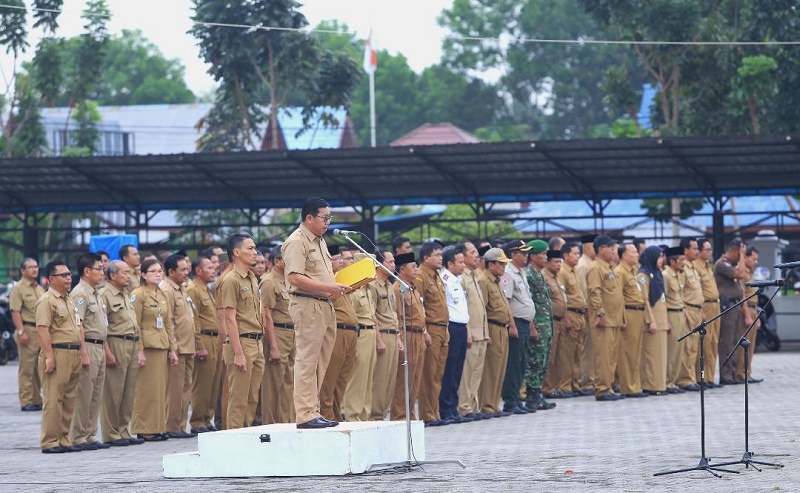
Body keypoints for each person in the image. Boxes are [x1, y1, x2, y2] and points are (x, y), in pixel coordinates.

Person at [282, 197, 348, 429]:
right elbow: (294, 277)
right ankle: (305, 414)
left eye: (330, 218)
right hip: (308, 304)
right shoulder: (296, 241)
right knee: (307, 361)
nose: (328, 222)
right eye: (324, 218)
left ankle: (313, 411)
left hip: (325, 304)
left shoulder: (319, 241)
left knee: (321, 362)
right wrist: (328, 287)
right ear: (309, 218)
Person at [36, 260, 90, 453]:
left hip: (73, 353)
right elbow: (42, 330)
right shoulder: (47, 301)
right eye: (63, 275)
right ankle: (50, 441)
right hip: (58, 352)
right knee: (54, 399)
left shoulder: (69, 300)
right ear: (51, 279)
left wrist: (83, 352)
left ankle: (64, 439)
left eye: (69, 274)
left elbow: (79, 326)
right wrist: (49, 357)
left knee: (69, 398)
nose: (69, 278)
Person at [220, 233, 265, 429]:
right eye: (250, 248)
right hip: (242, 343)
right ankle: (234, 438)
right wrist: (238, 353)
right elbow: (229, 319)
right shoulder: (231, 280)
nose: (255, 252)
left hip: (256, 342)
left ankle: (245, 435)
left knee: (252, 397)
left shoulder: (252, 278)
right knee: (239, 398)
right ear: (236, 252)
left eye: (255, 248)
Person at [130, 259, 179, 441]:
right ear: (143, 274)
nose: (158, 274)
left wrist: (173, 349)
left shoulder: (161, 294)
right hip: (148, 347)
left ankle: (157, 426)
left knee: (159, 390)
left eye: (160, 271)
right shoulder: (138, 294)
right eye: (153, 271)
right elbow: (135, 324)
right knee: (146, 390)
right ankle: (144, 428)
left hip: (162, 345)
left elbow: (168, 324)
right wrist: (139, 350)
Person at [99, 260, 144, 446]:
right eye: (124, 273)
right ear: (112, 275)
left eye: (129, 272)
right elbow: (102, 326)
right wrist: (107, 352)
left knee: (128, 390)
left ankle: (124, 430)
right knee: (113, 391)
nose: (128, 276)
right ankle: (111, 433)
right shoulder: (104, 295)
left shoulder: (126, 294)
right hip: (116, 343)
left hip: (131, 343)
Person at [69, 253, 111, 450]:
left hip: (99, 346)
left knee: (95, 394)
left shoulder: (96, 293)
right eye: (99, 269)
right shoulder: (80, 294)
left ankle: (90, 434)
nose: (102, 272)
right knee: (84, 394)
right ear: (87, 271)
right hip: (88, 347)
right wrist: (83, 353)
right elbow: (78, 325)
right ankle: (78, 436)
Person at [319, 246, 360, 422]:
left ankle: (336, 415)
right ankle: (326, 415)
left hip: (351, 332)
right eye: (336, 259)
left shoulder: (344, 280)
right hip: (336, 332)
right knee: (329, 379)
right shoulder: (324, 281)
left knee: (342, 380)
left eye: (341, 258)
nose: (341, 262)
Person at [258, 246, 296, 424]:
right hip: (278, 333)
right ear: (279, 261)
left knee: (289, 382)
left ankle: (286, 422)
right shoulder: (269, 282)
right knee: (273, 384)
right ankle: (271, 424)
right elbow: (266, 315)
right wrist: (273, 346)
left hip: (292, 334)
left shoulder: (289, 280)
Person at [161, 254, 197, 438]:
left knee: (185, 389)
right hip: (178, 348)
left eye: (186, 269)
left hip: (188, 346)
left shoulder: (181, 288)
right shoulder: (166, 289)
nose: (186, 272)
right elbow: (168, 321)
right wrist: (172, 348)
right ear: (171, 271)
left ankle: (181, 426)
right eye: (182, 270)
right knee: (174, 390)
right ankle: (172, 426)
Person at [586, 235, 624, 401]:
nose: (614, 251)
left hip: (614, 319)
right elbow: (594, 292)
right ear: (601, 249)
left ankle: (609, 387)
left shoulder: (609, 267)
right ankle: (602, 389)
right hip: (604, 320)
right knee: (603, 357)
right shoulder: (595, 268)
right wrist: (600, 313)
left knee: (612, 358)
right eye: (611, 248)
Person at [187, 256, 223, 433]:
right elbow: (194, 319)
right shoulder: (193, 290)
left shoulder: (207, 290)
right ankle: (197, 421)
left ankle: (207, 418)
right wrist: (199, 345)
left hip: (214, 339)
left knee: (212, 383)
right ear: (198, 271)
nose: (213, 270)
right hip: (204, 339)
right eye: (208, 267)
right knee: (202, 384)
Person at [416, 241, 450, 426]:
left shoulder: (437, 276)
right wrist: (424, 331)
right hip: (431, 328)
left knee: (438, 374)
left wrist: (446, 329)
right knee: (429, 374)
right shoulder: (421, 276)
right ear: (426, 258)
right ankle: (427, 413)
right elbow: (419, 306)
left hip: (442, 328)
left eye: (441, 254)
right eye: (437, 255)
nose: (440, 258)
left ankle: (434, 411)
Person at [390, 252, 426, 421]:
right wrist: (399, 338)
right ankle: (399, 416)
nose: (416, 269)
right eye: (413, 266)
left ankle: (410, 414)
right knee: (404, 379)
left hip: (418, 335)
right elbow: (397, 316)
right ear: (402, 269)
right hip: (407, 335)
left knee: (415, 379)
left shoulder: (413, 288)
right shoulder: (398, 289)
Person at [477, 248, 513, 417]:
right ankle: (487, 405)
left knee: (500, 368)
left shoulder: (497, 281)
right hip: (492, 328)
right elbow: (482, 310)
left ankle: (495, 403)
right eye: (501, 263)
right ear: (491, 264)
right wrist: (486, 333)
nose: (504, 266)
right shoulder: (483, 281)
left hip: (502, 329)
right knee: (491, 369)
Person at [500, 239, 535, 414]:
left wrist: (531, 325)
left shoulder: (521, 272)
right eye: (523, 253)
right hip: (516, 323)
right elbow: (506, 302)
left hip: (525, 323)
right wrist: (512, 326)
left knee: (522, 363)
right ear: (513, 255)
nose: (526, 256)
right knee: (513, 364)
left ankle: (517, 399)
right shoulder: (508, 273)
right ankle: (510, 401)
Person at [438, 245, 471, 424]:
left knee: (458, 369)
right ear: (450, 264)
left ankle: (453, 407)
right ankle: (445, 407)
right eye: (460, 262)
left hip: (461, 327)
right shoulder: (444, 280)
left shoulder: (457, 279)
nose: (463, 265)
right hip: (451, 327)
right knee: (449, 369)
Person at [456, 241, 489, 421]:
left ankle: (473, 406)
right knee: (467, 373)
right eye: (473, 252)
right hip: (471, 333)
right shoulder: (461, 278)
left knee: (476, 373)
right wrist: (468, 331)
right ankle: (464, 406)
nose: (477, 255)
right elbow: (463, 309)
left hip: (481, 333)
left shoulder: (475, 276)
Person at [369, 251, 402, 420]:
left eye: (394, 261)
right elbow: (372, 314)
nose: (393, 265)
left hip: (393, 335)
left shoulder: (390, 285)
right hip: (382, 335)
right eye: (390, 262)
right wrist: (379, 340)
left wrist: (398, 337)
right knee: (380, 379)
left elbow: (394, 314)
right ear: (379, 264)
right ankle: (375, 416)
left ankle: (383, 414)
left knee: (390, 379)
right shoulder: (373, 285)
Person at [9, 258, 45, 412]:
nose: (34, 269)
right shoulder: (19, 288)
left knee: (38, 368)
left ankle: (36, 399)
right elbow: (15, 311)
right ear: (22, 270)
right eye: (30, 267)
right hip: (27, 329)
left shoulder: (39, 288)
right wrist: (21, 331)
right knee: (27, 368)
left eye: (36, 266)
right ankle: (26, 400)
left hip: (40, 330)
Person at [524, 239, 556, 411]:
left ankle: (538, 395)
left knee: (543, 361)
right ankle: (531, 397)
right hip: (537, 324)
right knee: (535, 361)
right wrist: (532, 326)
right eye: (543, 254)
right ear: (533, 256)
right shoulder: (529, 275)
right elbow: (529, 302)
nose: (546, 257)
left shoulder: (539, 274)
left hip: (546, 325)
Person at [614, 243, 647, 398]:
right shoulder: (620, 272)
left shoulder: (633, 271)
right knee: (627, 352)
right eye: (633, 252)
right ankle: (628, 387)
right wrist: (621, 318)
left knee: (635, 352)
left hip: (638, 313)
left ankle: (635, 385)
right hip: (629, 312)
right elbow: (618, 297)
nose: (637, 254)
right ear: (624, 255)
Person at [556, 243, 589, 397]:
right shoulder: (562, 272)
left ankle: (575, 384)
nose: (577, 256)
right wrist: (566, 318)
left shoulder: (574, 271)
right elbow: (561, 297)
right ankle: (565, 385)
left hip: (580, 315)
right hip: (570, 314)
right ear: (565, 255)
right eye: (574, 254)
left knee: (577, 352)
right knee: (567, 353)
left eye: (578, 254)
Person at [639, 246, 668, 395]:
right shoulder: (643, 275)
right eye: (659, 256)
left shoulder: (658, 273)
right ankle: (650, 385)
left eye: (662, 256)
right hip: (652, 321)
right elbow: (644, 299)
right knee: (651, 356)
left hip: (661, 320)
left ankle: (659, 385)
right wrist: (650, 320)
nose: (661, 259)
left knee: (660, 356)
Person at [678, 238, 703, 391]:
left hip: (697, 310)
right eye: (694, 248)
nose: (697, 251)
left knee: (694, 347)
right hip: (688, 309)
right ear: (686, 250)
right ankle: (685, 379)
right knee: (687, 347)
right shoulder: (683, 268)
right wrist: (684, 310)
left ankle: (691, 377)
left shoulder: (693, 267)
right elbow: (680, 291)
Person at [695, 238, 721, 387]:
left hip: (715, 305)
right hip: (706, 306)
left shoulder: (708, 267)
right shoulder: (696, 267)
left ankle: (710, 377)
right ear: (699, 251)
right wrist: (701, 309)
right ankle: (702, 377)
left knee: (713, 342)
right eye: (707, 250)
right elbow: (697, 290)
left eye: (710, 249)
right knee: (704, 343)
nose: (710, 252)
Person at [541, 249, 567, 398]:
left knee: (559, 357)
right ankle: (547, 388)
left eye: (560, 262)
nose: (559, 265)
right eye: (556, 262)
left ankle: (556, 387)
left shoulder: (557, 278)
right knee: (550, 357)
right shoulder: (544, 277)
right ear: (547, 262)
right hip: (550, 321)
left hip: (560, 321)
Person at [662, 246, 688, 394]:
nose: (684, 262)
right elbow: (663, 300)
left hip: (680, 313)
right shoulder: (666, 275)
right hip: (671, 314)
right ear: (672, 261)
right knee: (671, 351)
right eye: (681, 259)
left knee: (679, 350)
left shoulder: (678, 275)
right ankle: (667, 382)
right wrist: (666, 320)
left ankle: (674, 380)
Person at [737, 246, 763, 383]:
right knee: (744, 344)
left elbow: (753, 296)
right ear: (745, 257)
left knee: (751, 345)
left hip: (753, 309)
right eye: (754, 259)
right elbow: (742, 296)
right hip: (746, 310)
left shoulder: (750, 273)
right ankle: (741, 373)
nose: (756, 262)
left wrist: (756, 315)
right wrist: (747, 315)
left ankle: (747, 372)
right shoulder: (742, 273)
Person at [576, 234, 597, 394]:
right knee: (587, 349)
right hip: (587, 313)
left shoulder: (591, 264)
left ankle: (592, 379)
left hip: (593, 313)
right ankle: (587, 381)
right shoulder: (583, 265)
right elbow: (584, 291)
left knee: (592, 348)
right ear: (589, 248)